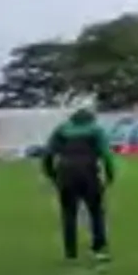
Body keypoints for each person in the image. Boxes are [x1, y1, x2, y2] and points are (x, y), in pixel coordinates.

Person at [41, 108, 115, 262]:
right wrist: (109, 175)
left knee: (68, 213)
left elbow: (48, 154)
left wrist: (51, 174)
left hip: (65, 173)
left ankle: (70, 253)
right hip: (88, 173)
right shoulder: (95, 130)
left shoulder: (62, 130)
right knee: (95, 212)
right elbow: (106, 155)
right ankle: (98, 248)